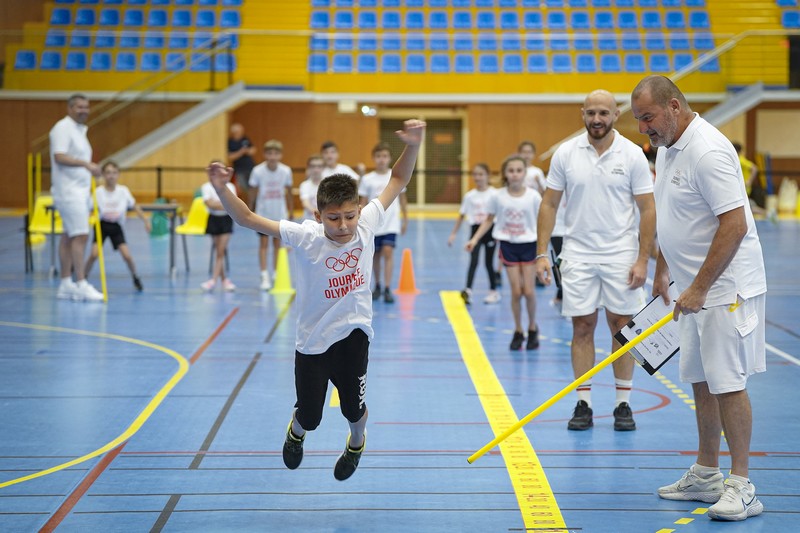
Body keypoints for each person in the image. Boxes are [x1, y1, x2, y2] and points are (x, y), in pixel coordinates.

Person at [207, 119, 425, 481]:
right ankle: (296, 434)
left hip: (355, 335)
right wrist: (222, 188)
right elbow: (245, 217)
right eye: (334, 218)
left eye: (350, 216)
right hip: (312, 342)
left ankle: (356, 444)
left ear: (359, 209)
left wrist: (414, 145)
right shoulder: (305, 236)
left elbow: (398, 180)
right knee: (311, 415)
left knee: (354, 411)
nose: (343, 225)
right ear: (317, 215)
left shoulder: (367, 222)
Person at [632, 75, 767, 522]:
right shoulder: (670, 146)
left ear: (674, 106)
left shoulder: (707, 151)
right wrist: (665, 270)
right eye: (637, 120)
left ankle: (743, 485)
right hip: (692, 289)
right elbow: (678, 214)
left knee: (727, 382)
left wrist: (700, 287)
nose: (642, 129)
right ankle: (707, 473)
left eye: (647, 118)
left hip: (724, 289)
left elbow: (735, 224)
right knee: (702, 379)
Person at [536, 89, 656, 432]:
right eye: (591, 113)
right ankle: (584, 402)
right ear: (582, 113)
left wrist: (642, 259)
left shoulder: (632, 154)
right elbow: (549, 204)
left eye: (603, 113)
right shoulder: (566, 153)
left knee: (623, 329)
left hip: (621, 254)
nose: (597, 119)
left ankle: (623, 404)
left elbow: (648, 209)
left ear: (616, 114)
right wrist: (542, 253)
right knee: (582, 326)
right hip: (578, 254)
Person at [467, 156, 542, 350]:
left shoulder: (533, 196)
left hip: (529, 245)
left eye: (519, 170)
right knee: (516, 292)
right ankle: (518, 330)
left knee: (529, 291)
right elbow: (489, 219)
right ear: (505, 174)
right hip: (508, 245)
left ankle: (532, 328)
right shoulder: (498, 196)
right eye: (511, 170)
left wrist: (544, 251)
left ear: (524, 173)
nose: (515, 174)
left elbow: (542, 223)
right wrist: (474, 239)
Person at [49, 93, 104, 302]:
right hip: (68, 192)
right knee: (81, 235)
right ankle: (80, 282)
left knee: (69, 236)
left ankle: (65, 284)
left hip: (79, 191)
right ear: (70, 108)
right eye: (80, 107)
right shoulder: (62, 128)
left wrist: (89, 169)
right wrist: (85, 164)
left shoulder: (80, 130)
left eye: (87, 107)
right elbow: (59, 156)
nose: (84, 110)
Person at [84, 161, 150, 291]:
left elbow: (135, 206)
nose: (111, 176)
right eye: (108, 173)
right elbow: (88, 209)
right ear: (103, 175)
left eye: (114, 173)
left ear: (118, 175)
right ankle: (82, 278)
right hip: (101, 226)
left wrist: (146, 220)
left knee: (127, 256)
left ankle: (135, 276)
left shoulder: (123, 191)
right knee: (93, 254)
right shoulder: (98, 192)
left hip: (116, 227)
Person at [358, 142, 408, 304]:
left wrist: (405, 218)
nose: (381, 159)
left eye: (385, 156)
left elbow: (402, 199)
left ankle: (387, 287)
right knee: (375, 255)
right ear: (374, 158)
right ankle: (377, 285)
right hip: (374, 222)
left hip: (391, 222)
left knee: (388, 252)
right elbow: (363, 201)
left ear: (389, 158)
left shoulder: (395, 176)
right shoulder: (367, 179)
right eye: (378, 156)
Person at [448, 163, 500, 305]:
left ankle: (493, 291)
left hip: (490, 231)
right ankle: (468, 290)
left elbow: (499, 214)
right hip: (474, 230)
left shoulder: (494, 194)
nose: (478, 177)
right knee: (473, 260)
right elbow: (461, 215)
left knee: (489, 263)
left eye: (481, 174)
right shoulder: (470, 196)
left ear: (488, 175)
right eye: (475, 174)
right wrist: (453, 234)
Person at [249, 140, 293, 291]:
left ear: (280, 155)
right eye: (269, 153)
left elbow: (289, 192)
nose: (273, 156)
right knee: (263, 244)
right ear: (265, 154)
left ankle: (275, 272)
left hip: (279, 214)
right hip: (263, 214)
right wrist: (250, 210)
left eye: (276, 153)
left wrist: (291, 211)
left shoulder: (286, 171)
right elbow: (253, 191)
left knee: (277, 244)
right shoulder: (257, 171)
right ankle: (264, 274)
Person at [200, 166, 237, 292]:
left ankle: (213, 280)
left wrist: (219, 205)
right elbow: (209, 204)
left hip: (226, 220)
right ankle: (224, 280)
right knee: (218, 251)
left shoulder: (230, 186)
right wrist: (222, 204)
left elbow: (232, 204)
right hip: (213, 219)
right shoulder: (206, 187)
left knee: (221, 251)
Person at [732, 142, 767, 218]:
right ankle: (766, 213)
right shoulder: (738, 159)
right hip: (741, 186)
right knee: (745, 206)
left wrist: (749, 181)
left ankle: (766, 213)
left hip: (744, 187)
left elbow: (754, 168)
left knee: (745, 206)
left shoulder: (740, 160)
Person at [227, 123, 256, 198]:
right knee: (243, 188)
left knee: (253, 186)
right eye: (239, 131)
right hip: (239, 169)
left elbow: (253, 150)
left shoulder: (245, 139)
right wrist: (241, 152)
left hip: (250, 167)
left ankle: (253, 202)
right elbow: (230, 156)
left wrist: (247, 151)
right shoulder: (230, 142)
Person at [299, 154, 324, 221]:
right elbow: (305, 203)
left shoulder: (328, 184)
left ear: (323, 168)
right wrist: (319, 213)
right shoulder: (304, 185)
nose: (316, 169)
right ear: (309, 168)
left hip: (324, 221)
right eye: (313, 166)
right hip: (309, 221)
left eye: (319, 166)